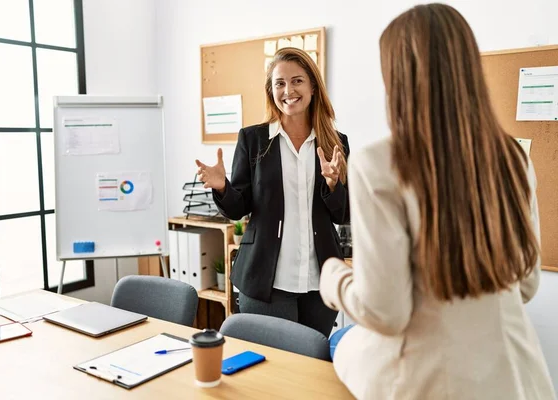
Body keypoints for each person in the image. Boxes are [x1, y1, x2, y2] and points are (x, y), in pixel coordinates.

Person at [319, 3, 555, 399]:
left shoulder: (379, 163)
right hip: (517, 378)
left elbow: (387, 313)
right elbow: (527, 285)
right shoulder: (514, 157)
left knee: (338, 343)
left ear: (396, 77)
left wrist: (334, 278)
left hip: (430, 381)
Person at [195, 47, 350, 337]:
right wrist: (222, 187)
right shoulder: (253, 139)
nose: (288, 90)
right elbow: (238, 207)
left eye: (297, 81)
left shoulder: (335, 142)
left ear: (313, 86)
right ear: (271, 90)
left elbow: (343, 215)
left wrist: (333, 186)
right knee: (273, 367)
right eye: (279, 83)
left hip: (321, 282)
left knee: (313, 365)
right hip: (266, 279)